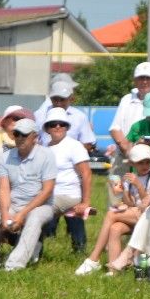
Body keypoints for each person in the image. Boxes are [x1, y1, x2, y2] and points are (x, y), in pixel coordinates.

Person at [0, 118, 56, 271]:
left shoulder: (46, 155)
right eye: (16, 134)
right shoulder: (5, 156)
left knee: (35, 218)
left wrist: (22, 214)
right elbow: (4, 189)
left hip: (41, 205)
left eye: (24, 135)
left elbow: (47, 190)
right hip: (14, 204)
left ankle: (15, 264)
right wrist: (5, 214)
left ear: (35, 137)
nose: (19, 138)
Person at [76, 144, 150, 276]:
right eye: (140, 162)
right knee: (115, 228)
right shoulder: (129, 177)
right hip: (136, 216)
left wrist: (138, 185)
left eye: (147, 162)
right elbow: (130, 203)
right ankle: (113, 271)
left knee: (110, 214)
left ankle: (94, 258)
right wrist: (121, 192)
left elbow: (148, 202)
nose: (145, 165)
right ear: (132, 163)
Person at [39, 106, 93, 253]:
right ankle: (37, 250)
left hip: (69, 194)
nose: (57, 127)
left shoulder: (74, 146)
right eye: (53, 124)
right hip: (49, 193)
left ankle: (34, 252)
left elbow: (86, 174)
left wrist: (85, 202)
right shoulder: (44, 147)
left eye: (61, 124)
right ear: (47, 128)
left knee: (37, 214)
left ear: (67, 127)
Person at [35, 78, 95, 149]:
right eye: (55, 99)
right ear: (50, 98)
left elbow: (87, 142)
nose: (58, 103)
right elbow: (33, 139)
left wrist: (71, 154)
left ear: (71, 99)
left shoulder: (80, 117)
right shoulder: (39, 115)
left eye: (62, 99)